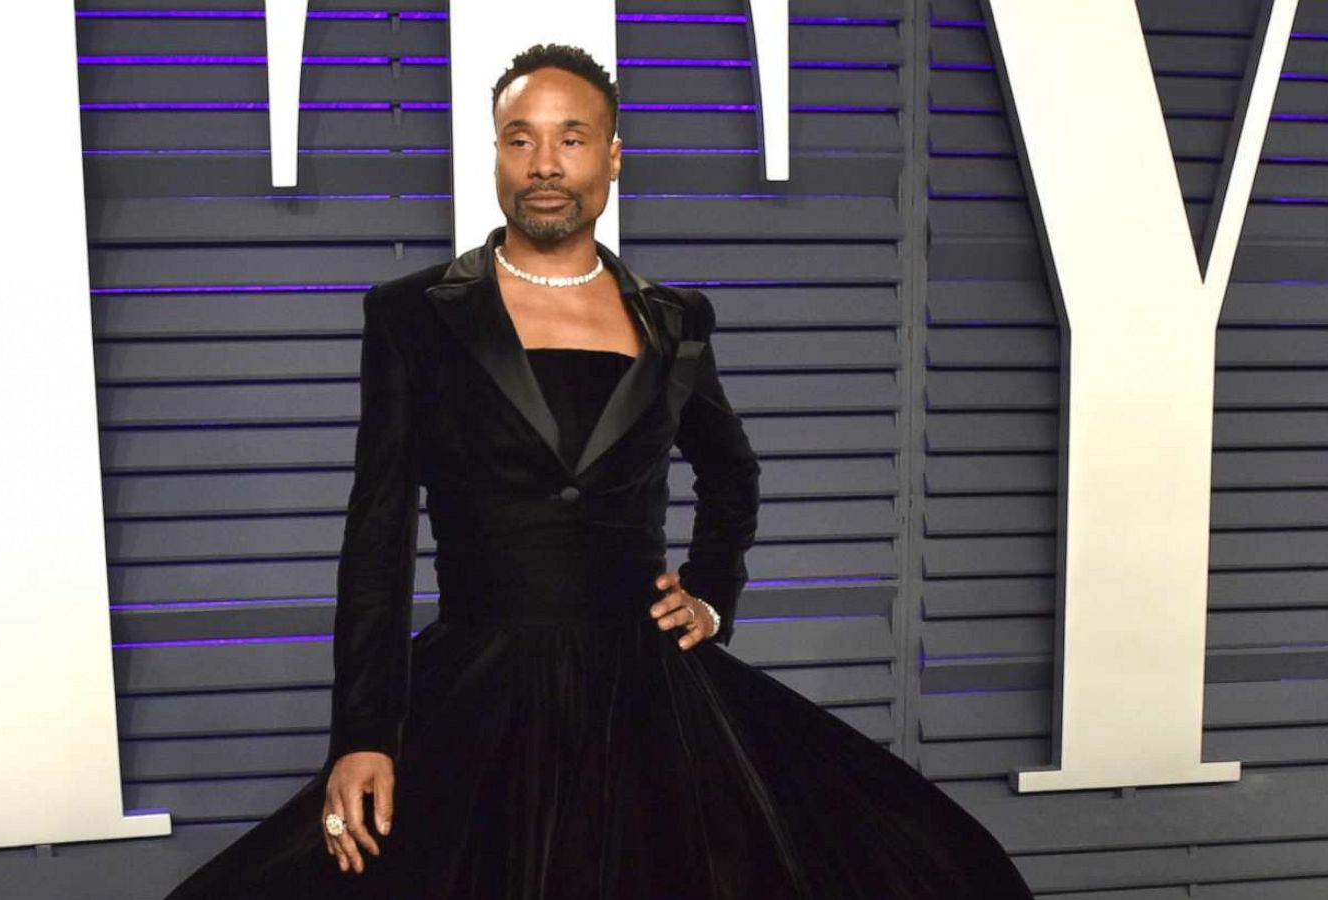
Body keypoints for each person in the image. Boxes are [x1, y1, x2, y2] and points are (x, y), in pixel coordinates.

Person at [163, 43, 1035, 899]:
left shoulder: (675, 319)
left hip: (652, 695)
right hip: (482, 683)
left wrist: (710, 593)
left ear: (611, 158)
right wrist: (360, 733)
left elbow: (732, 474)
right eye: (520, 138)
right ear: (496, 153)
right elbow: (378, 534)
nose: (545, 163)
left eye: (571, 139)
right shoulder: (413, 316)